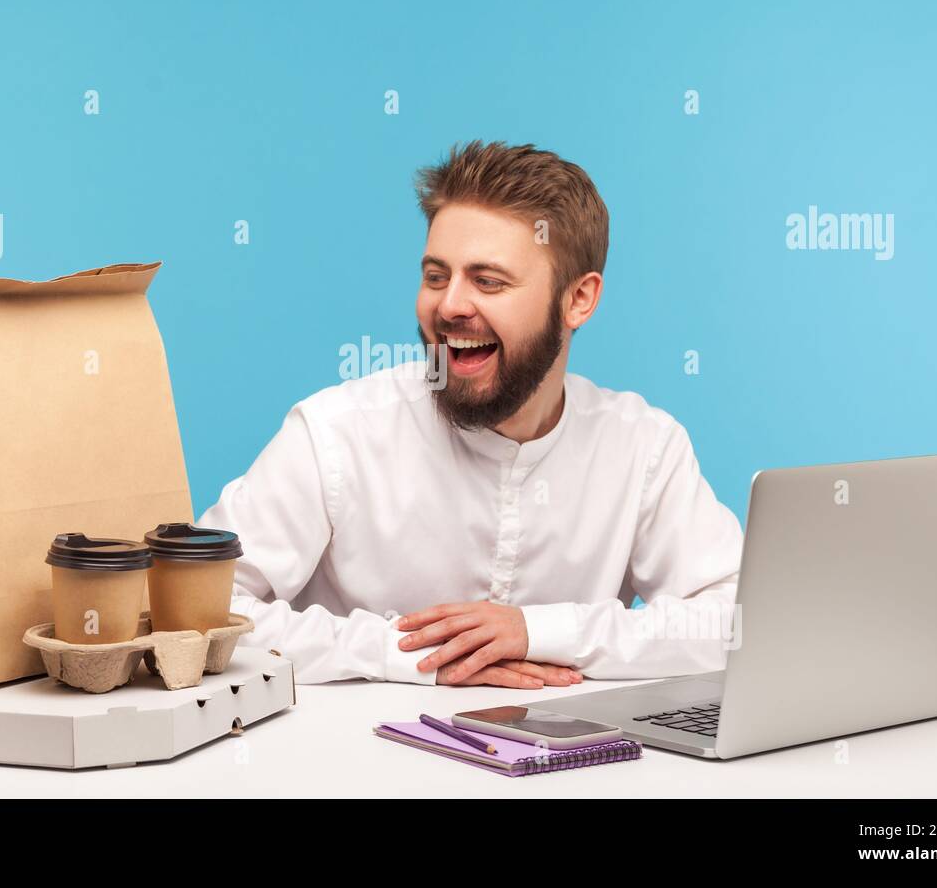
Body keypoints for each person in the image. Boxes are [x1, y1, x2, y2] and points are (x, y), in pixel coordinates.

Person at [199, 140, 743, 687]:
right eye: (437, 276)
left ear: (578, 299)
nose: (450, 305)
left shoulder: (644, 447)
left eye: (488, 281)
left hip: (568, 768)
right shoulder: (335, 433)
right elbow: (200, 610)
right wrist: (412, 655)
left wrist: (539, 632)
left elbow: (736, 617)